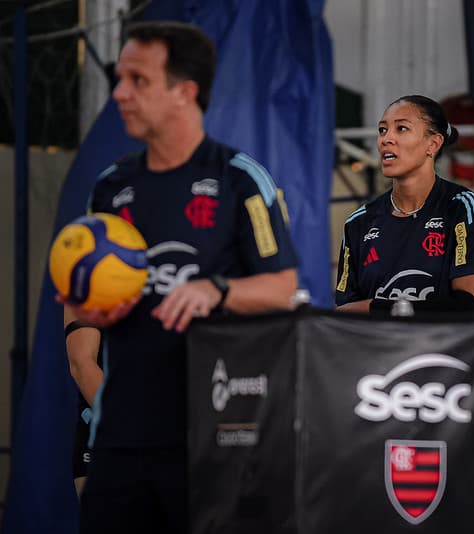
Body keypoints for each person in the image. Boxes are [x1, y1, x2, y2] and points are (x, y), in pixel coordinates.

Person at [61, 21, 298, 534]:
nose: (119, 93)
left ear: (183, 93)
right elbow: (80, 305)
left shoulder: (239, 178)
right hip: (119, 435)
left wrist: (216, 290)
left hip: (209, 438)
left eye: (138, 80)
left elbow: (282, 289)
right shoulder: (111, 188)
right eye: (119, 78)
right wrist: (90, 303)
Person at [335, 95, 474, 313]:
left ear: (433, 144)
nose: (386, 139)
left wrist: (377, 307)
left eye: (401, 129)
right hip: (375, 347)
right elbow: (344, 314)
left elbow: (468, 307)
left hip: (439, 347)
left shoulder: (463, 207)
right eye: (382, 130)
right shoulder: (358, 222)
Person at [63, 306, 103, 497]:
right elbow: (82, 363)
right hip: (107, 440)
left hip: (176, 436)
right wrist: (129, 427)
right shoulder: (88, 276)